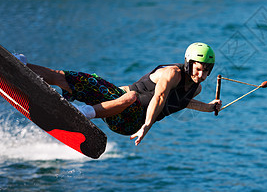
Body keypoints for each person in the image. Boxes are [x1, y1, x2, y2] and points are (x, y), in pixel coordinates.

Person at [15, 42, 221, 145]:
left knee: (131, 98)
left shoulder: (196, 87)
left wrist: (209, 107)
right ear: (188, 63)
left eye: (206, 70)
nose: (201, 74)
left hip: (132, 122)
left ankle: (80, 112)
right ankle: (20, 66)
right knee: (69, 78)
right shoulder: (171, 74)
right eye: (198, 68)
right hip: (118, 104)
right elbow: (159, 96)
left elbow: (183, 102)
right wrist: (209, 107)